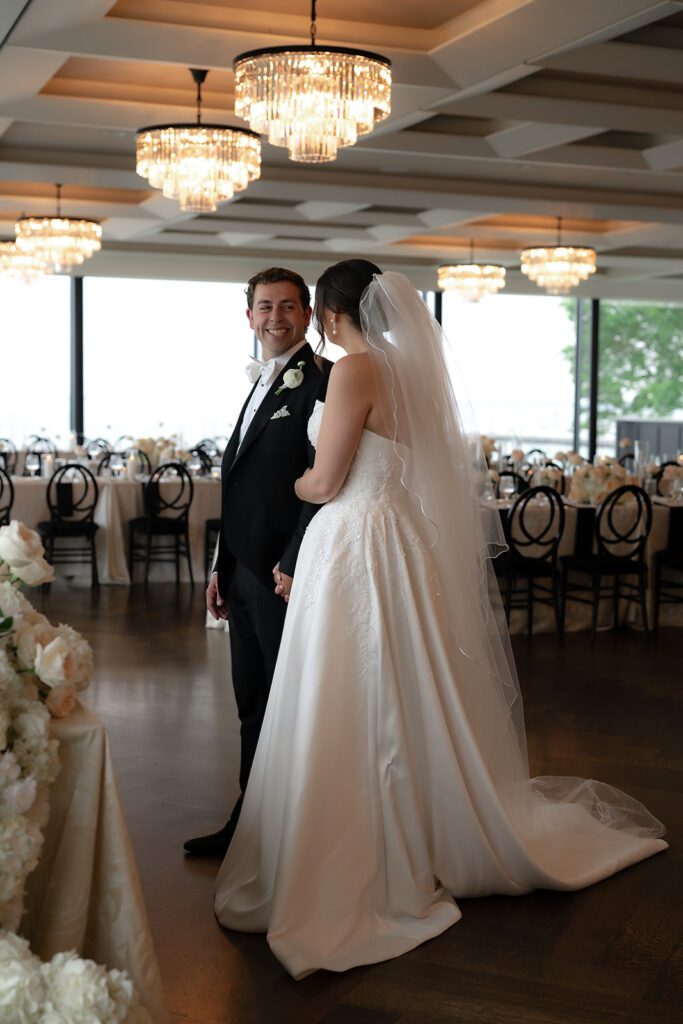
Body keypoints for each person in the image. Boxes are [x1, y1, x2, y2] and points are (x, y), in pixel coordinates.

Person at [214, 260, 667, 977]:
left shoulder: (354, 369)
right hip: (398, 540)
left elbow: (326, 481)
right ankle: (428, 821)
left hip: (355, 539)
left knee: (351, 686)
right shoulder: (406, 371)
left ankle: (359, 841)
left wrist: (297, 478)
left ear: (328, 316)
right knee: (405, 680)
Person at [184, 267, 331, 857]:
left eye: (288, 307)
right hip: (241, 572)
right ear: (249, 317)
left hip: (282, 576)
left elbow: (327, 483)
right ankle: (249, 822)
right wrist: (220, 568)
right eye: (265, 307)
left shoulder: (322, 383)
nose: (276, 317)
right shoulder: (260, 382)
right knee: (252, 704)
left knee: (284, 704)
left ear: (309, 314)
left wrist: (292, 558)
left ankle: (286, 831)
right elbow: (240, 484)